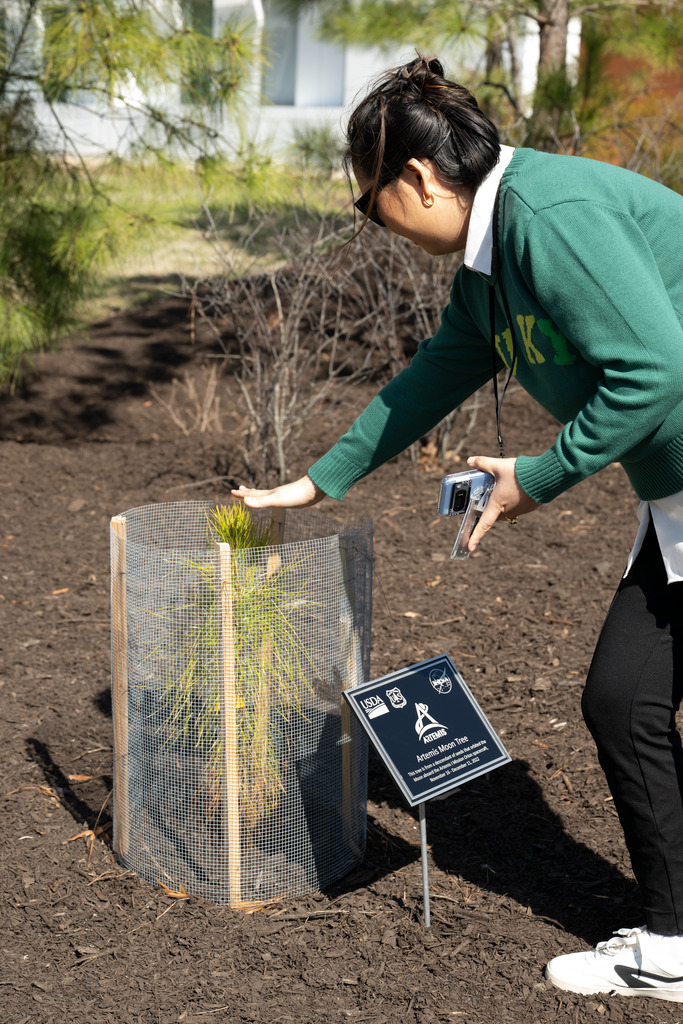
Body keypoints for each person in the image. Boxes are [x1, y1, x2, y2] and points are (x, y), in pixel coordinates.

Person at [232, 54, 683, 1000]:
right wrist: (319, 483)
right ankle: (675, 944)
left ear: (418, 181)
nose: (377, 225)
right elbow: (440, 367)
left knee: (626, 701)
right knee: (627, 701)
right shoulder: (489, 253)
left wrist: (542, 476)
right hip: (673, 494)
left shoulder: (549, 220)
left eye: (369, 205)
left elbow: (652, 369)